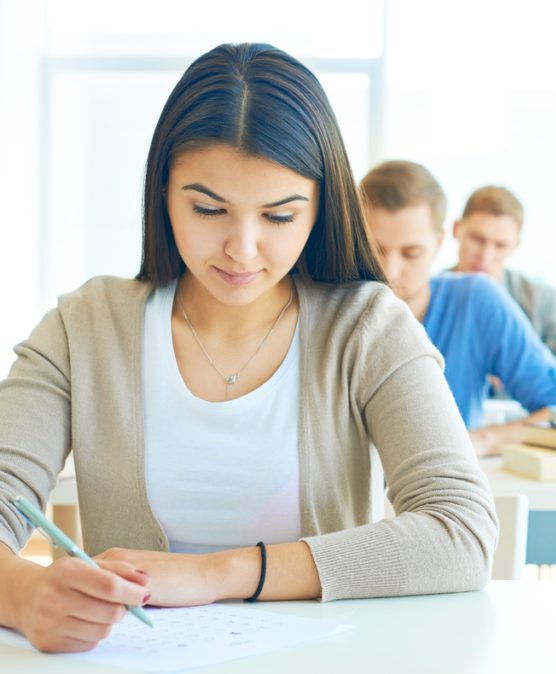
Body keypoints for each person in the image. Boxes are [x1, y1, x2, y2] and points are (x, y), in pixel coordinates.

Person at [0, 44, 496, 654]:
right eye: (208, 208)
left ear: (321, 209)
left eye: (279, 216)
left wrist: (215, 574)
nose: (242, 248)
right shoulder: (84, 328)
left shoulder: (367, 328)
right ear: (162, 194)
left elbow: (461, 531)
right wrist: (24, 594)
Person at [360, 161, 556, 456]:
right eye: (375, 249)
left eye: (411, 254)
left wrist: (482, 440)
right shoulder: (324, 306)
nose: (389, 271)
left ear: (439, 243)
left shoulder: (477, 301)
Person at [453, 186, 556, 400]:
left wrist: (538, 380)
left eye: (500, 245)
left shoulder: (541, 301)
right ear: (456, 230)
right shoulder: (427, 296)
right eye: (477, 239)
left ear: (516, 246)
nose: (485, 256)